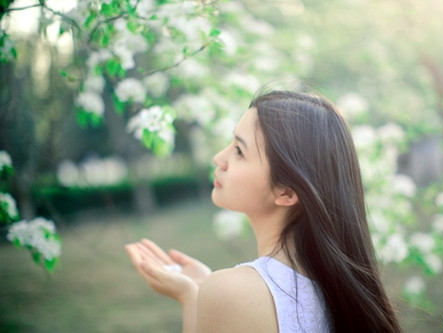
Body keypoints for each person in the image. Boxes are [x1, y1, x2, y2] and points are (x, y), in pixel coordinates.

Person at [125, 89, 403, 333]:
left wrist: (190, 296)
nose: (219, 158)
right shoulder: (338, 293)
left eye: (239, 151)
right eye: (231, 144)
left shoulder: (232, 292)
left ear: (286, 192)